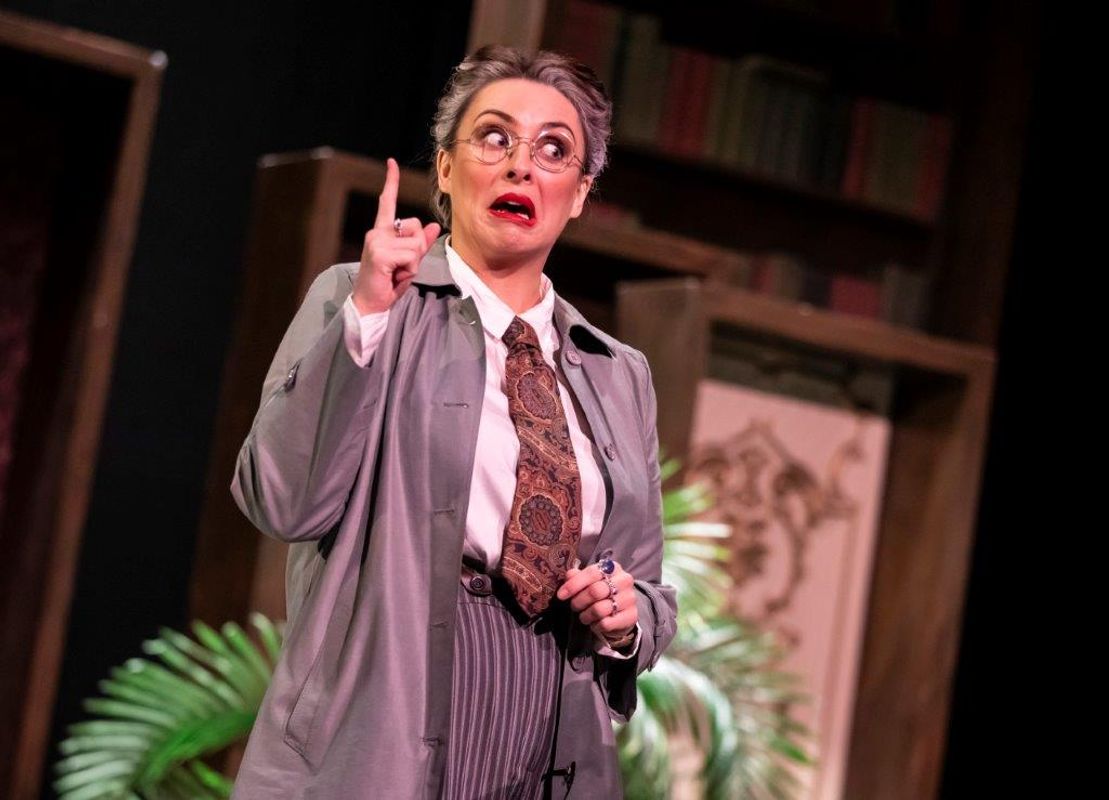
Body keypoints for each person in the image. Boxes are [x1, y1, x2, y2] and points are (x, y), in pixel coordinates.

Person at [229, 44, 676, 799]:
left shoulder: (615, 370)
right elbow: (281, 499)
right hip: (390, 708)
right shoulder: (365, 301)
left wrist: (626, 616)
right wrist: (368, 314)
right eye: (494, 138)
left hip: (553, 725)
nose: (520, 167)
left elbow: (647, 589)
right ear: (443, 168)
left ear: (578, 194)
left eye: (553, 151)